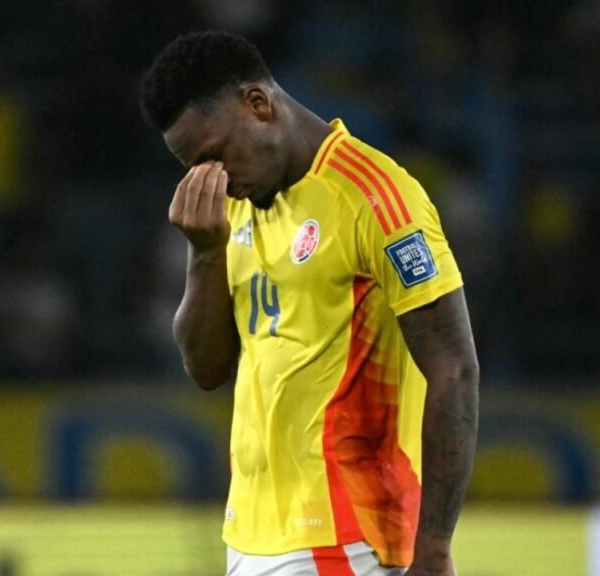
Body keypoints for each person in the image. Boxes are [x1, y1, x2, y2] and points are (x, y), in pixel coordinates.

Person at [139, 32, 479, 576]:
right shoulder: (242, 204)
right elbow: (206, 369)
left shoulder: (374, 198)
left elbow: (453, 369)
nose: (214, 181)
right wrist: (205, 254)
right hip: (252, 532)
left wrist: (434, 545)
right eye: (195, 169)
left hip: (346, 535)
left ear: (258, 104)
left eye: (215, 157)